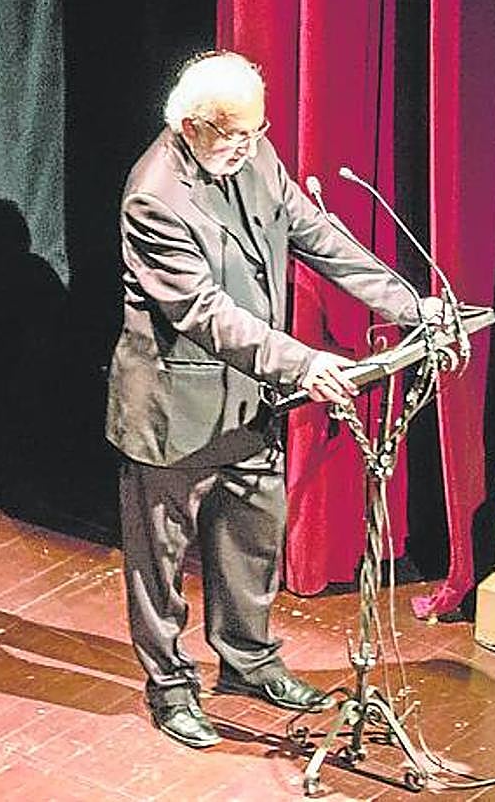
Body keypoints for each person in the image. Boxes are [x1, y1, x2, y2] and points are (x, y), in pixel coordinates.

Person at [105, 50, 431, 748]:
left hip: (253, 401)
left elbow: (318, 238)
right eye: (232, 135)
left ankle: (248, 663)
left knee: (252, 537)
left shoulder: (254, 156)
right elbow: (204, 312)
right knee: (159, 564)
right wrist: (304, 360)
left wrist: (411, 306)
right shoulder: (154, 195)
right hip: (176, 409)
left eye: (257, 131)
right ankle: (170, 686)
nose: (248, 146)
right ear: (192, 126)